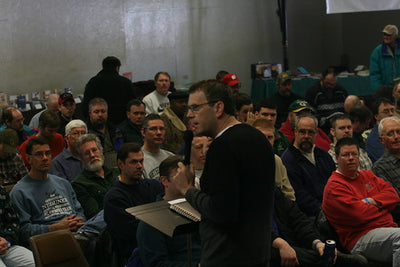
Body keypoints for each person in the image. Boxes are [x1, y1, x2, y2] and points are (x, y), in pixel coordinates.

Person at [173, 79, 275, 266]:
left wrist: (188, 190)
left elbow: (221, 211)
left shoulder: (223, 146)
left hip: (227, 256)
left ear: (218, 107)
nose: (188, 115)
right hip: (258, 252)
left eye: (195, 107)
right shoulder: (257, 137)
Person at [322, 137, 400, 266]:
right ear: (336, 158)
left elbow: (393, 196)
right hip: (359, 238)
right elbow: (358, 215)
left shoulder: (367, 175)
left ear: (359, 156)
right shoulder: (335, 185)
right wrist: (383, 207)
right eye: (346, 155)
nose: (351, 158)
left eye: (354, 154)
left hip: (387, 230)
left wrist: (370, 201)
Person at [10, 137, 86, 246]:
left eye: (48, 153)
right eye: (39, 154)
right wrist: (55, 228)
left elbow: (79, 211)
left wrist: (77, 221)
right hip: (49, 240)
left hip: (77, 232)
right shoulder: (19, 192)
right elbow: (23, 231)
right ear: (28, 159)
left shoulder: (63, 183)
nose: (45, 158)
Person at [271, 188, 368, 267]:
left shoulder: (274, 192)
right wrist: (280, 243)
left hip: (293, 244)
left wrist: (317, 243)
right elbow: (257, 232)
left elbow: (299, 221)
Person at [136, 156, 201, 267]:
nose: (189, 185)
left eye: (191, 178)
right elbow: (156, 264)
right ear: (165, 181)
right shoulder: (152, 220)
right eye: (182, 179)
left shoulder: (199, 208)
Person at [104, 142, 163, 264]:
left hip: (161, 246)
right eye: (133, 162)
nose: (140, 166)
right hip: (135, 255)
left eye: (141, 161)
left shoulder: (154, 186)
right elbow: (132, 233)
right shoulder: (114, 198)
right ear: (120, 164)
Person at [281, 114, 336, 218]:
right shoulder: (288, 160)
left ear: (316, 133)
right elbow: (300, 197)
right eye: (302, 132)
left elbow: (335, 184)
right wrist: (325, 211)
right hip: (308, 216)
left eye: (310, 132)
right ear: (295, 131)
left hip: (331, 209)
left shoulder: (324, 155)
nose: (306, 136)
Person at [72, 134, 118, 219]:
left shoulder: (117, 172)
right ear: (80, 158)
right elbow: (94, 214)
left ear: (101, 151)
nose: (92, 155)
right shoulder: (79, 184)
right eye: (87, 153)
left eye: (94, 150)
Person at [83, 56, 135, 125]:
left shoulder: (93, 82)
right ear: (117, 68)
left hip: (99, 122)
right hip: (121, 122)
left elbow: (85, 105)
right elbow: (132, 103)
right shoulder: (125, 82)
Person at [252, 118, 296, 201]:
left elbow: (289, 195)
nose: (266, 141)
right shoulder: (242, 160)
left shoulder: (276, 160)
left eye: (270, 137)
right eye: (261, 136)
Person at [0, 185, 35, 267]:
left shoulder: (1, 191)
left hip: (6, 246)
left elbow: (14, 222)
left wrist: (7, 241)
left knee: (37, 262)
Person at [305, 68, 348, 132]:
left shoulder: (341, 91)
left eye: (333, 84)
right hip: (322, 129)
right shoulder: (313, 92)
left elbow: (347, 111)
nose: (331, 87)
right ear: (322, 79)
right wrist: (326, 122)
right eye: (328, 84)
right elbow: (309, 116)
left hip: (341, 126)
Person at [87, 98, 123, 169]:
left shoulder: (115, 130)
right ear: (90, 114)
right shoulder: (86, 133)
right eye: (96, 112)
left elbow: (121, 150)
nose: (100, 115)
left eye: (103, 111)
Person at [372, 116, 400, 196]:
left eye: (399, 132)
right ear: (381, 140)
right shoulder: (380, 167)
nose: (396, 137)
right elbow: (393, 197)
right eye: (390, 134)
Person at [141, 114, 174, 179]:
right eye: (153, 129)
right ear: (143, 132)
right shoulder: (138, 160)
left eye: (162, 129)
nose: (159, 133)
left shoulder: (171, 157)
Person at [370, 25, 400, 91]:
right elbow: (374, 74)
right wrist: (379, 90)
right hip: (385, 90)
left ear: (396, 36)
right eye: (384, 34)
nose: (385, 37)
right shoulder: (377, 52)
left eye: (389, 35)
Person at [366, 98, 395, 162]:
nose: (391, 114)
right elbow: (386, 161)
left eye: (392, 110)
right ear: (376, 116)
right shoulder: (374, 138)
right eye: (386, 112)